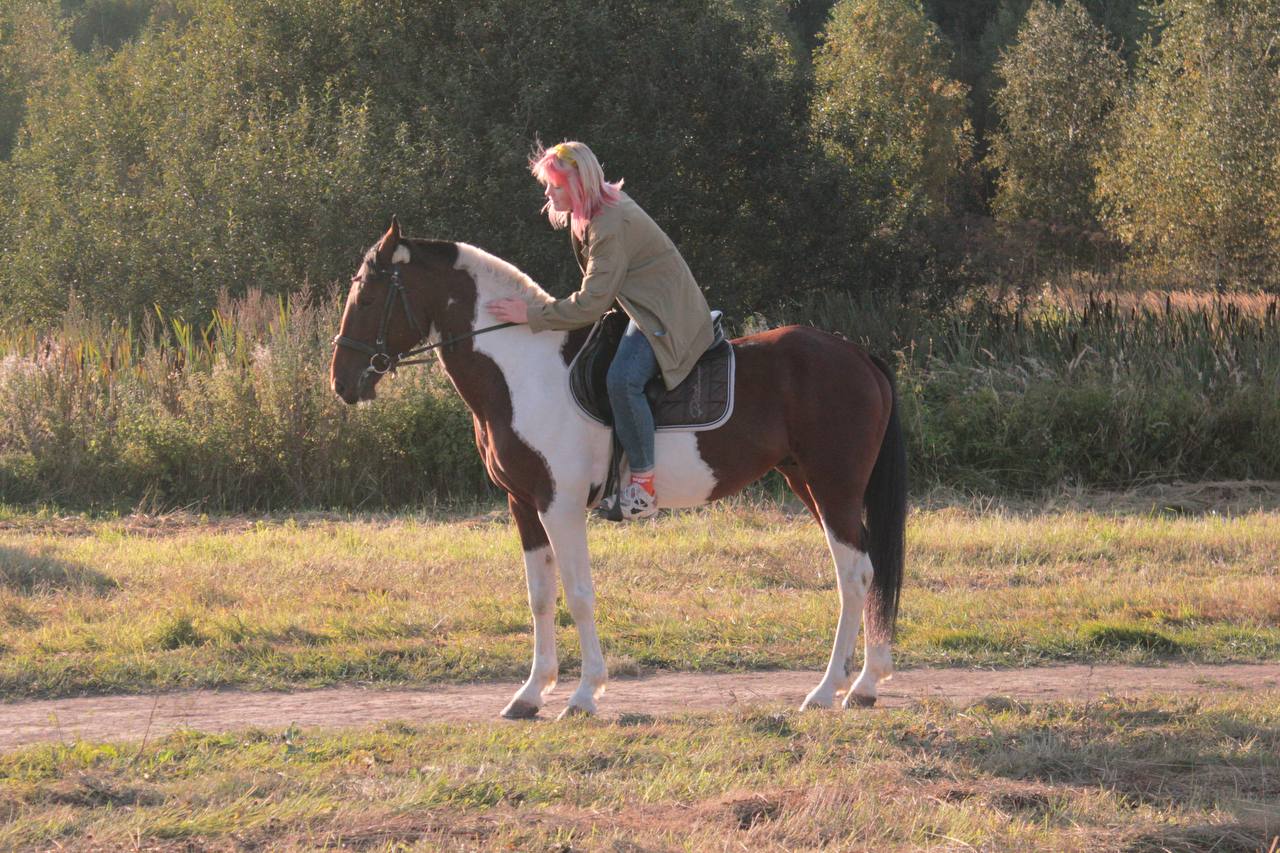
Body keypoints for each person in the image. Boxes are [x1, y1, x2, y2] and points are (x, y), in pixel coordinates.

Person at [487, 141, 713, 520]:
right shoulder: (591, 213)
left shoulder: (608, 223)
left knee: (622, 380)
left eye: (554, 186)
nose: (547, 193)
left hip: (663, 316)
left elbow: (591, 302)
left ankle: (642, 487)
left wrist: (531, 315)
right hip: (637, 307)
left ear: (578, 185)